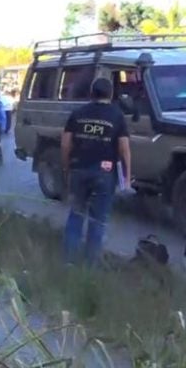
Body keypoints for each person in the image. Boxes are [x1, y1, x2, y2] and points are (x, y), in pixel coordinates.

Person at [61, 77, 132, 266]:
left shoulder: (77, 113)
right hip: (104, 174)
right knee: (98, 220)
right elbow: (124, 149)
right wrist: (127, 178)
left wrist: (67, 168)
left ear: (92, 93)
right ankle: (90, 265)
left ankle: (69, 262)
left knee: (76, 214)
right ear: (110, 94)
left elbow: (66, 144)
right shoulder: (116, 116)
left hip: (78, 170)